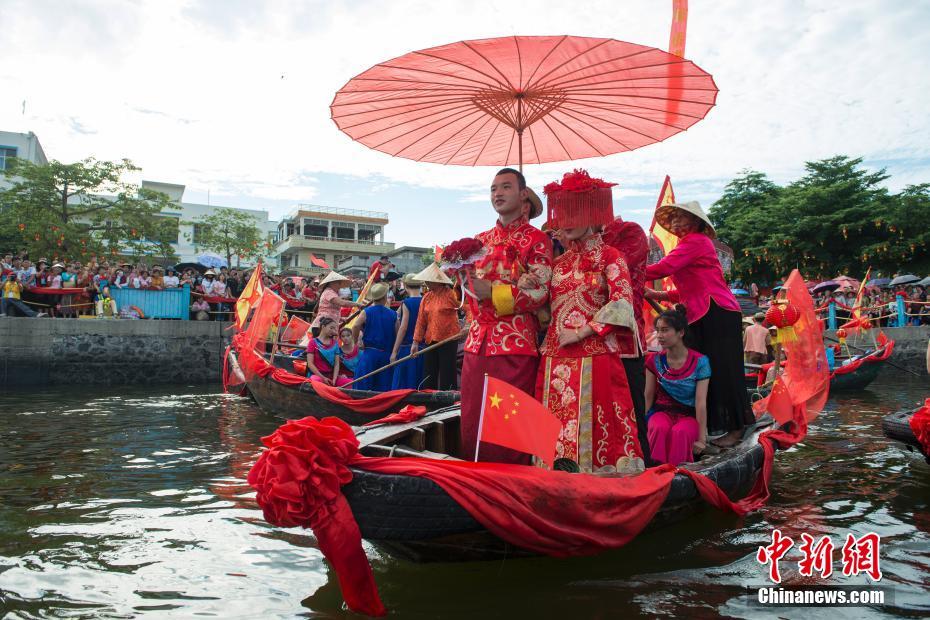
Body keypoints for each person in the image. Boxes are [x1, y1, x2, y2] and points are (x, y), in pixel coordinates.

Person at [535, 169, 643, 472]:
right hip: (554, 358)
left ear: (593, 215)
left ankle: (600, 484)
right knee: (554, 426)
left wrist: (583, 331)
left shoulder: (611, 257)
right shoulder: (557, 263)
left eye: (573, 214)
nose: (563, 223)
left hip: (595, 354)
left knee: (599, 425)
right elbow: (545, 310)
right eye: (561, 215)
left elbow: (622, 303)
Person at [461, 167, 553, 463]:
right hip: (477, 343)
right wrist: (467, 286)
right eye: (493, 189)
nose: (497, 194)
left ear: (523, 194)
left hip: (515, 346)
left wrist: (494, 292)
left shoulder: (538, 240)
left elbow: (540, 291)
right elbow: (469, 293)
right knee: (474, 420)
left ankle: (512, 490)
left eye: (505, 187)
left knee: (510, 427)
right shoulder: (478, 241)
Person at [644, 201, 753, 448]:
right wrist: (656, 295)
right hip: (702, 312)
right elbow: (686, 290)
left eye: (682, 218)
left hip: (717, 312)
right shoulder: (688, 245)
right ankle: (711, 426)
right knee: (704, 370)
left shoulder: (696, 241)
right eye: (673, 220)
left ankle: (736, 428)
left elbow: (664, 268)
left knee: (723, 370)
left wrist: (626, 269)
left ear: (696, 222)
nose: (676, 224)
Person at [645, 306, 710, 466]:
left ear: (681, 333)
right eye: (658, 330)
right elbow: (648, 396)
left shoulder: (700, 362)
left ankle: (677, 476)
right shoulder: (654, 361)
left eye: (665, 330)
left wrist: (702, 440)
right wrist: (638, 430)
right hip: (661, 412)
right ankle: (652, 472)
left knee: (680, 433)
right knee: (659, 428)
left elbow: (701, 403)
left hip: (688, 416)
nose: (659, 335)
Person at [411, 264, 461, 391]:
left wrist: (468, 324)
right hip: (430, 340)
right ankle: (429, 398)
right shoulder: (427, 297)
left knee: (447, 373)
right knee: (429, 373)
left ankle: (449, 400)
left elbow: (467, 307)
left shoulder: (451, 294)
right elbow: (421, 321)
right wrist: (415, 342)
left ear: (437, 281)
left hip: (449, 339)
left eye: (429, 280)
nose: (426, 282)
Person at [352, 282, 397, 391]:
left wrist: (356, 342)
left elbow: (356, 326)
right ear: (385, 297)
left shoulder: (366, 312)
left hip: (369, 354)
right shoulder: (393, 314)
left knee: (363, 386)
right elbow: (397, 333)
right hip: (386, 355)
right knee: (383, 387)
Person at [390, 273, 425, 390]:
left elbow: (403, 328)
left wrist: (394, 351)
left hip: (408, 349)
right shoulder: (426, 300)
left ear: (405, 286)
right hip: (424, 348)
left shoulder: (407, 303)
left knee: (404, 385)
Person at [310, 271, 363, 337]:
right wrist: (357, 304)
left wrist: (340, 318)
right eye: (338, 282)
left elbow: (330, 310)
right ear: (332, 283)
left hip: (328, 326)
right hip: (323, 326)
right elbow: (342, 303)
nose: (340, 285)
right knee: (323, 346)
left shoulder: (331, 292)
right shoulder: (329, 292)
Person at [305, 317, 352, 386]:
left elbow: (336, 364)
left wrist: (334, 379)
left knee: (351, 383)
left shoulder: (335, 343)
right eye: (331, 328)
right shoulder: (312, 342)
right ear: (323, 327)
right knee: (316, 382)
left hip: (331, 377)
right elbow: (310, 364)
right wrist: (323, 378)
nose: (333, 331)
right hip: (317, 376)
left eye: (335, 329)